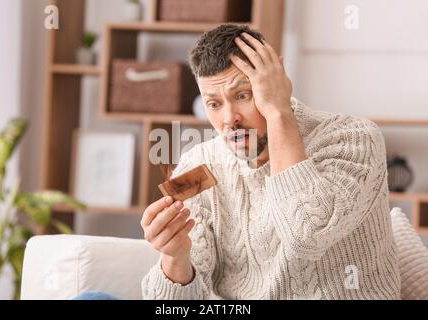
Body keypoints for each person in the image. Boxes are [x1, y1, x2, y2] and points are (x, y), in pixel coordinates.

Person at [140, 24, 400, 300]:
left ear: (276, 79)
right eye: (214, 104)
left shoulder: (352, 138)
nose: (229, 119)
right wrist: (175, 256)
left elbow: (307, 235)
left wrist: (278, 111)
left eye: (243, 95)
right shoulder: (199, 163)